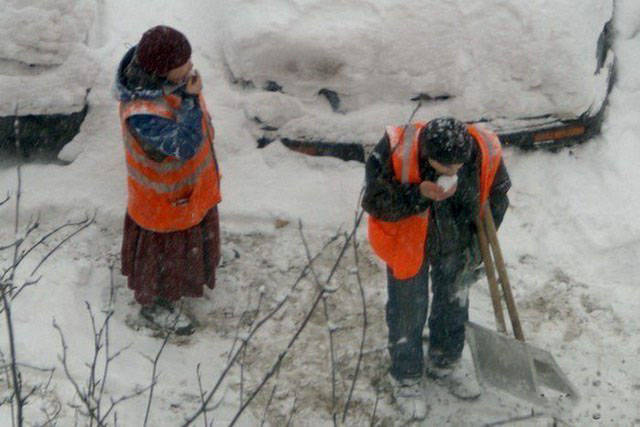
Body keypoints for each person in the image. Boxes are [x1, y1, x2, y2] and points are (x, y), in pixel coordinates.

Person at [362, 117, 510, 419]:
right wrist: (418, 195)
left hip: (455, 241)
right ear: (427, 156)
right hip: (408, 243)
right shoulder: (395, 150)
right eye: (446, 167)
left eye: (459, 166)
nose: (454, 172)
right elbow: (374, 201)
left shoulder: (482, 149)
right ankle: (406, 378)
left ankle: (445, 363)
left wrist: (477, 248)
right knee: (407, 310)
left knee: (454, 302)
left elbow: (498, 192)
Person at [114, 25, 222, 335]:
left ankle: (198, 266)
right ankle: (156, 303)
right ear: (162, 70)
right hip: (164, 206)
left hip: (189, 193)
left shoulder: (168, 82)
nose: (191, 68)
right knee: (164, 260)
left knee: (190, 240)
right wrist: (190, 100)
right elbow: (182, 147)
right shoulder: (142, 113)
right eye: (183, 65)